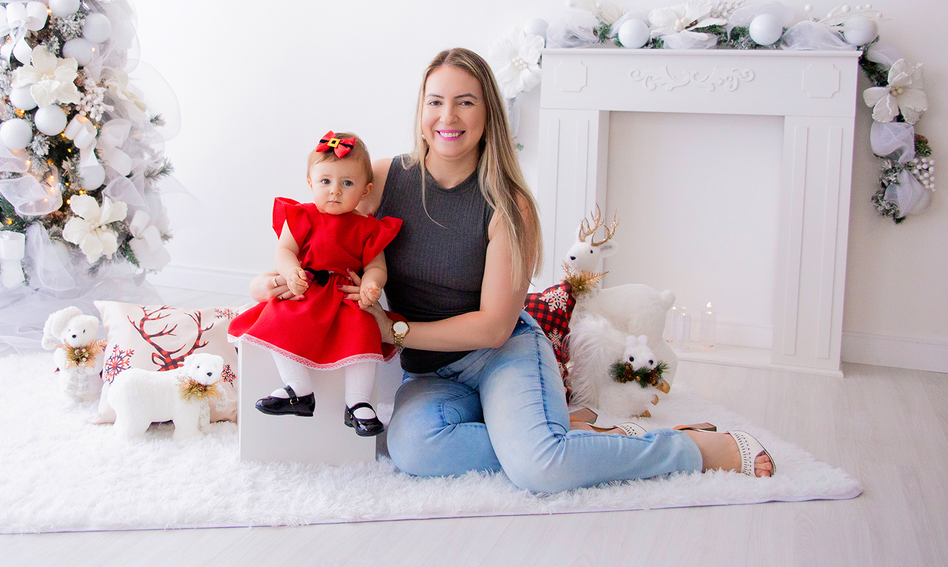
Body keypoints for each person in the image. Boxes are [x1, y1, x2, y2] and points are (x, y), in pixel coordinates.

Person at [249, 48, 774, 492]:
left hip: (500, 356)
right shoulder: (383, 178)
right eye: (436, 101)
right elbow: (320, 240)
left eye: (464, 102)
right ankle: (557, 432)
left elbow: (494, 326)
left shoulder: (508, 202)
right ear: (421, 109)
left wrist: (398, 330)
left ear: (488, 113)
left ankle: (692, 448)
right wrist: (271, 280)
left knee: (538, 468)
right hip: (431, 370)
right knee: (411, 450)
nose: (447, 117)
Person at [230, 131, 403, 437]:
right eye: (325, 182)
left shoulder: (367, 227)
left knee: (364, 329)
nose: (334, 191)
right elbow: (284, 250)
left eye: (346, 183)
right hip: (307, 290)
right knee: (279, 318)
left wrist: (371, 285)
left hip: (345, 295)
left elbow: (377, 266)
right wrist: (291, 270)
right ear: (310, 182)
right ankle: (298, 389)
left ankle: (358, 403)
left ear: (366, 190)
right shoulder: (302, 216)